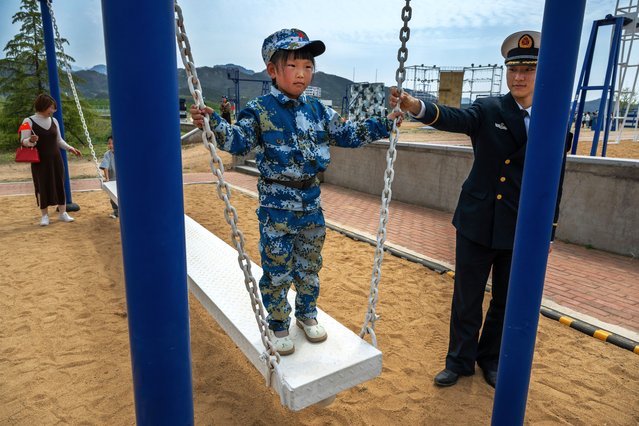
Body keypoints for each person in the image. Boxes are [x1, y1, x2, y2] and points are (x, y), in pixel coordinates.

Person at [191, 28, 401, 356]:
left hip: (311, 202)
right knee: (277, 266)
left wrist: (385, 122)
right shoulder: (259, 110)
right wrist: (215, 124)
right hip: (277, 204)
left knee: (309, 263)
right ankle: (277, 323)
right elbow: (239, 142)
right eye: (293, 66)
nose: (302, 73)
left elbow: (347, 133)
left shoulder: (317, 110)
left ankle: (306, 314)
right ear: (272, 70)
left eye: (308, 66)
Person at [390, 30, 570, 388]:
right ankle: (459, 361)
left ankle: (490, 359)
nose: (519, 77)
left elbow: (556, 180)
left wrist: (548, 230)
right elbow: (454, 117)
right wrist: (415, 106)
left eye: (528, 70)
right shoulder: (490, 109)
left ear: (541, 72)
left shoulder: (553, 120)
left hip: (519, 226)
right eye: (514, 69)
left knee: (506, 300)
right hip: (476, 221)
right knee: (467, 297)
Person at [19, 93, 82, 226]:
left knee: (59, 183)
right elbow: (23, 141)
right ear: (43, 106)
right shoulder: (28, 121)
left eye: (54, 108)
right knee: (42, 185)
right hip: (39, 161)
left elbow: (59, 140)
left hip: (56, 159)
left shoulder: (54, 121)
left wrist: (70, 148)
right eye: (51, 108)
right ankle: (44, 215)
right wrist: (30, 140)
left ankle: (63, 213)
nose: (53, 111)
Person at [99, 135, 118, 218]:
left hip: (121, 178)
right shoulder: (107, 154)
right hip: (112, 178)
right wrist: (107, 178)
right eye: (109, 143)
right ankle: (116, 211)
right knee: (113, 197)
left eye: (113, 143)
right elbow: (105, 167)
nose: (111, 145)